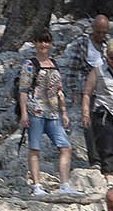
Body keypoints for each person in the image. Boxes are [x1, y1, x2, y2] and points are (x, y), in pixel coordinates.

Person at [19, 30, 74, 196]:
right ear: (35, 43)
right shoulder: (30, 65)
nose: (44, 45)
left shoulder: (54, 64)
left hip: (53, 113)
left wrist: (64, 112)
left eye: (46, 42)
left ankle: (64, 184)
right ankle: (36, 185)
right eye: (40, 42)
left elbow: (59, 90)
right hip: (36, 111)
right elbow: (23, 90)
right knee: (35, 148)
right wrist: (24, 114)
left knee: (65, 146)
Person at [82, 37, 113, 185]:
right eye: (111, 57)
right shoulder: (97, 71)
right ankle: (110, 180)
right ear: (106, 56)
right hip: (104, 113)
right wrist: (86, 113)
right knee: (107, 146)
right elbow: (87, 92)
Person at [67, 13, 111, 167]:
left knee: (105, 124)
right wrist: (74, 90)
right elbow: (73, 67)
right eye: (98, 32)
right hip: (87, 88)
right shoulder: (82, 43)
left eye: (104, 32)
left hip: (106, 90)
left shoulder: (108, 44)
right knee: (89, 123)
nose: (101, 35)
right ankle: (95, 159)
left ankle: (106, 156)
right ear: (93, 29)